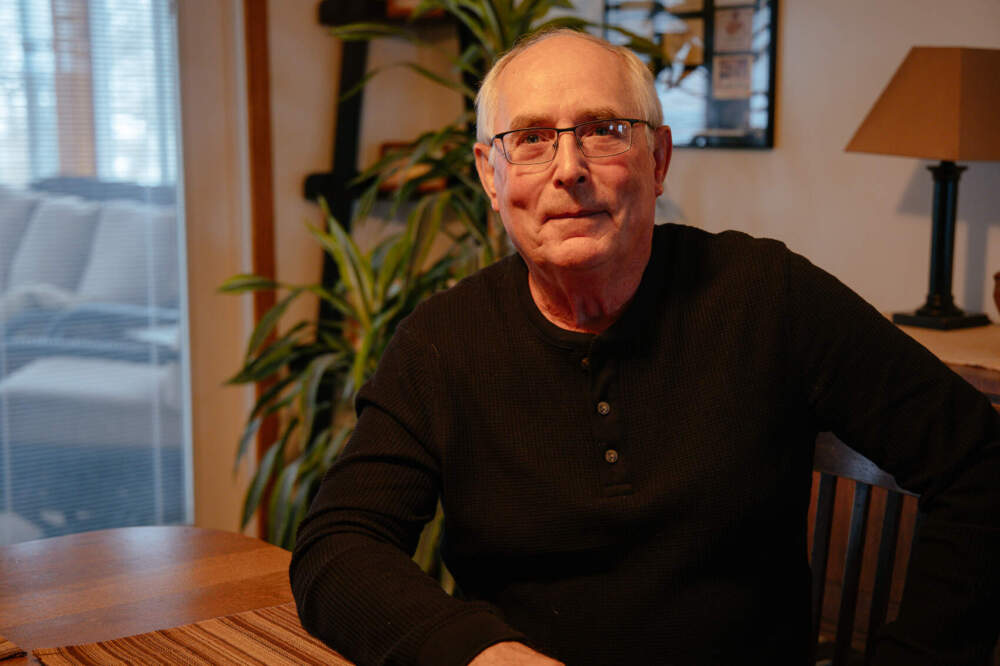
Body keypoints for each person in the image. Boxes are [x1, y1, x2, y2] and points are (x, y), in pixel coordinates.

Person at [291, 29, 1000, 665]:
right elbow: (337, 545)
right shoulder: (441, 345)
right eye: (531, 139)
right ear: (490, 173)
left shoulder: (767, 296)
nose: (568, 168)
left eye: (602, 130)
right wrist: (479, 655)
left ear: (657, 159)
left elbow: (981, 464)